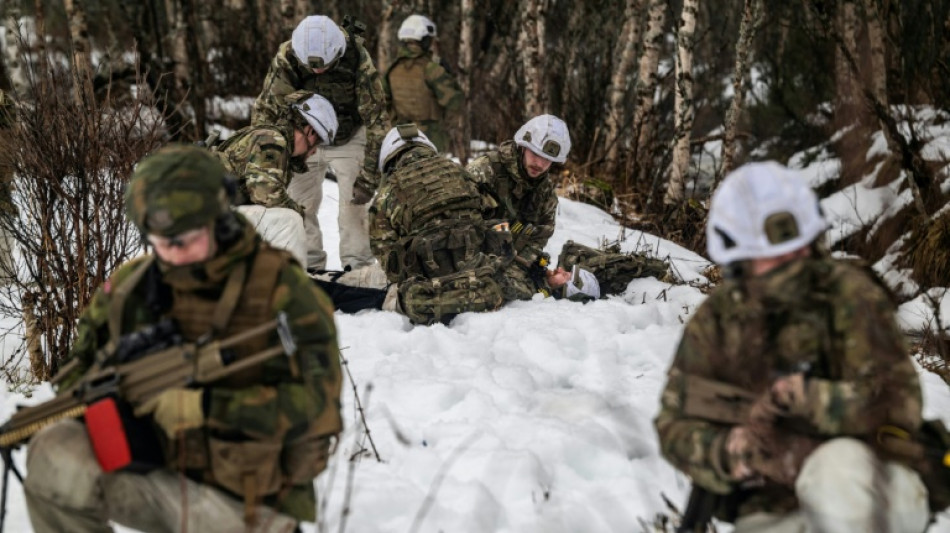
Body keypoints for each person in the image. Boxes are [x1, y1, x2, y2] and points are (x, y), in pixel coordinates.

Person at [24, 145, 343, 532]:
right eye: (162, 242)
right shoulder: (131, 289)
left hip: (245, 496)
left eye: (187, 239)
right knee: (56, 453)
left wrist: (205, 407)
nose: (175, 255)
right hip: (156, 470)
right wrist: (121, 397)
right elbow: (79, 377)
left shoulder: (283, 291)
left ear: (220, 219)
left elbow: (316, 410)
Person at [654, 162, 929, 533]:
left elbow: (901, 405)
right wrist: (730, 451)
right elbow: (673, 425)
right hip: (771, 502)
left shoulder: (851, 296)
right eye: (770, 259)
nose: (789, 266)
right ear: (739, 261)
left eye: (796, 251)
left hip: (870, 481)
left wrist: (808, 400)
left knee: (838, 473)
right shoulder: (718, 320)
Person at [253, 15, 390, 273]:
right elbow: (265, 113)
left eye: (323, 66)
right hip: (303, 137)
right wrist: (269, 163)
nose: (316, 71)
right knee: (297, 204)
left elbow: (378, 121)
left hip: (349, 135)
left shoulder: (356, 58)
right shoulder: (288, 57)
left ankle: (358, 268)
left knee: (354, 205)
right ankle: (307, 267)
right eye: (311, 66)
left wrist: (369, 178)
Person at [370, 123, 508, 325]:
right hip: (478, 267)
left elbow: (387, 257)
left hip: (428, 280)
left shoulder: (387, 191)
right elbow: (492, 214)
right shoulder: (459, 171)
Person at [212, 91, 338, 266]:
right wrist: (297, 211)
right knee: (289, 220)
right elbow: (265, 194)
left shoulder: (274, 140)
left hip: (213, 214)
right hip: (207, 216)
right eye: (317, 144)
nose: (315, 151)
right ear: (309, 131)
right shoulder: (273, 140)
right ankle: (292, 286)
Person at [466, 114, 570, 302]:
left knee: (519, 290)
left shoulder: (545, 195)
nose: (539, 164)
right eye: (535, 154)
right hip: (467, 256)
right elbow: (457, 223)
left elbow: (537, 240)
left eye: (547, 159)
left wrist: (515, 270)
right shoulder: (484, 171)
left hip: (506, 263)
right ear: (523, 146)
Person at [383, 14, 463, 153]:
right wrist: (448, 76)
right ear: (424, 40)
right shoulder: (431, 69)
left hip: (401, 137)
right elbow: (455, 101)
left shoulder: (392, 70)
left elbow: (384, 104)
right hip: (431, 137)